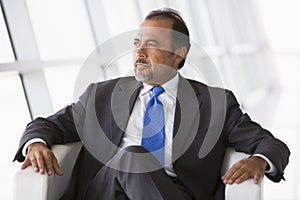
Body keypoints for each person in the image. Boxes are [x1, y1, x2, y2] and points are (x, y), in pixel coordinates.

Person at [14, 8, 290, 200]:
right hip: (104, 193)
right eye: (137, 43)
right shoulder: (103, 96)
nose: (139, 53)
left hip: (176, 193)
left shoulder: (214, 103)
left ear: (178, 54)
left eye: (151, 44)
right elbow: (47, 125)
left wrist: (259, 160)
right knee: (132, 156)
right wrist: (36, 143)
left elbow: (272, 145)